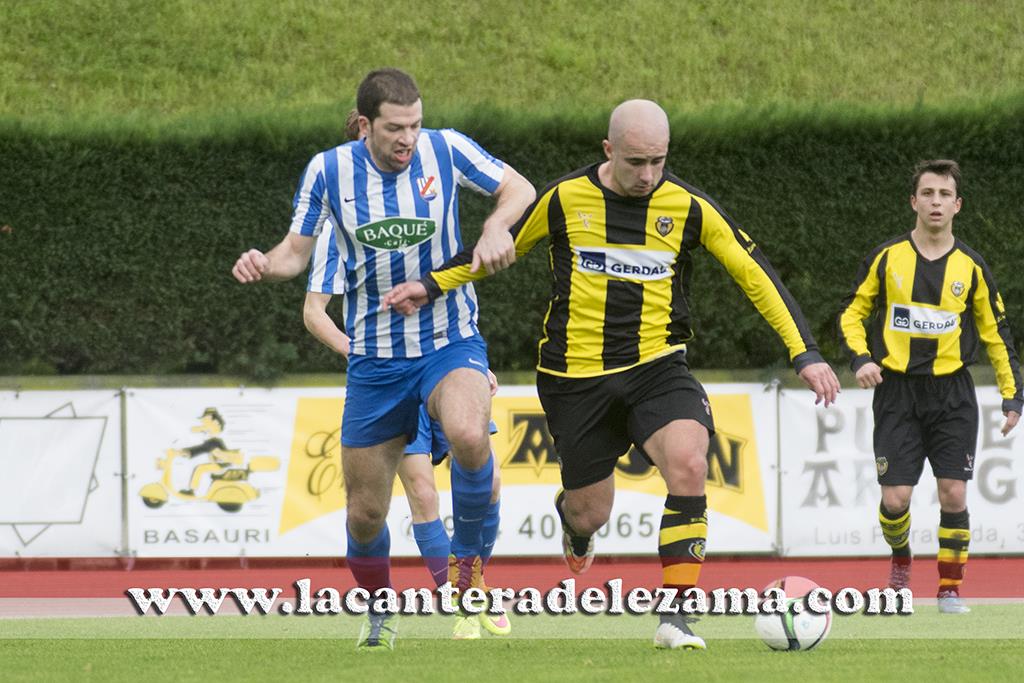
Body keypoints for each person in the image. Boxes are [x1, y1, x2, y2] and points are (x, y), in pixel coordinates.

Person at [382, 99, 840, 650]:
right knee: (591, 511)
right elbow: (496, 249)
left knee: (691, 464)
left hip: (658, 367)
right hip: (575, 379)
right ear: (608, 150)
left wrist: (805, 352)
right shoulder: (565, 198)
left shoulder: (688, 207)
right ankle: (573, 523)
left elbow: (754, 274)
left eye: (659, 162)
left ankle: (676, 618)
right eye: (636, 162)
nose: (648, 175)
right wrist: (431, 285)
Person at [232, 68, 535, 650]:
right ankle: (379, 611)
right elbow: (295, 253)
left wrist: (496, 226)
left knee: (472, 436)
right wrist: (262, 263)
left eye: (415, 126)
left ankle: (468, 579)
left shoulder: (445, 149)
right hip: (375, 359)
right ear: (365, 124)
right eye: (396, 128)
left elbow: (518, 188)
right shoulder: (329, 171)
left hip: (451, 339)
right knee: (365, 514)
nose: (408, 139)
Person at [304, 207, 510, 640]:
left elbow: (457, 287)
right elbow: (314, 311)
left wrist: (471, 367)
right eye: (384, 132)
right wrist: (357, 352)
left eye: (409, 132)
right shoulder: (339, 226)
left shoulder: (435, 204)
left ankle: (472, 584)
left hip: (447, 360)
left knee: (486, 481)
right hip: (386, 376)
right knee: (409, 498)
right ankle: (447, 606)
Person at [838, 159, 1021, 614]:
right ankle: (901, 559)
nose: (935, 202)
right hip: (897, 392)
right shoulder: (887, 258)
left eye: (944, 195)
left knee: (953, 492)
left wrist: (1012, 394)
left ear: (957, 205)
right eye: (928, 193)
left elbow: (997, 332)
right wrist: (861, 358)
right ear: (913, 201)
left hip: (952, 394)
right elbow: (851, 314)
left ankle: (949, 589)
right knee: (894, 498)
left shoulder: (972, 267)